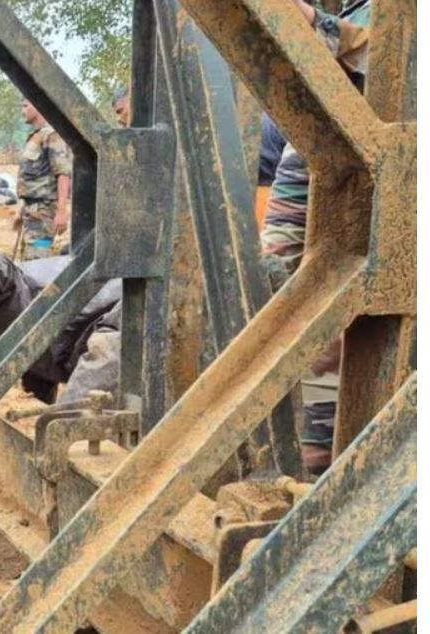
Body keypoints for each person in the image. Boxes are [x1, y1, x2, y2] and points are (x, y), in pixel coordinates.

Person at [261, 0, 370, 475]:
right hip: (321, 199)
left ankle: (323, 462)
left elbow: (377, 59)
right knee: (308, 323)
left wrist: (315, 24)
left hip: (362, 196)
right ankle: (316, 461)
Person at [0, 250, 121, 403]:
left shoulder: (16, 295)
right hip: (63, 341)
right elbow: (40, 363)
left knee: (109, 343)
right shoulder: (17, 334)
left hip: (107, 314)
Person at [17, 100, 72, 260]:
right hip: (32, 211)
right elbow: (32, 179)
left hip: (43, 212)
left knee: (38, 258)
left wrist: (62, 211)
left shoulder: (52, 135)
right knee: (28, 258)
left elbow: (63, 173)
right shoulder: (36, 136)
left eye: (26, 105)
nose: (23, 110)